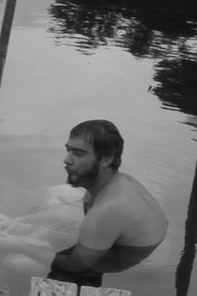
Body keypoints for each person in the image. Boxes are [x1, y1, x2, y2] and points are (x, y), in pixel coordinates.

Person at [46, 119, 167, 287]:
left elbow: (75, 266)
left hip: (139, 265)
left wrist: (29, 247)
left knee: (19, 262)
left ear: (106, 160)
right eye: (68, 150)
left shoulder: (107, 210)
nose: (67, 160)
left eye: (78, 153)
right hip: (140, 246)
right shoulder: (122, 181)